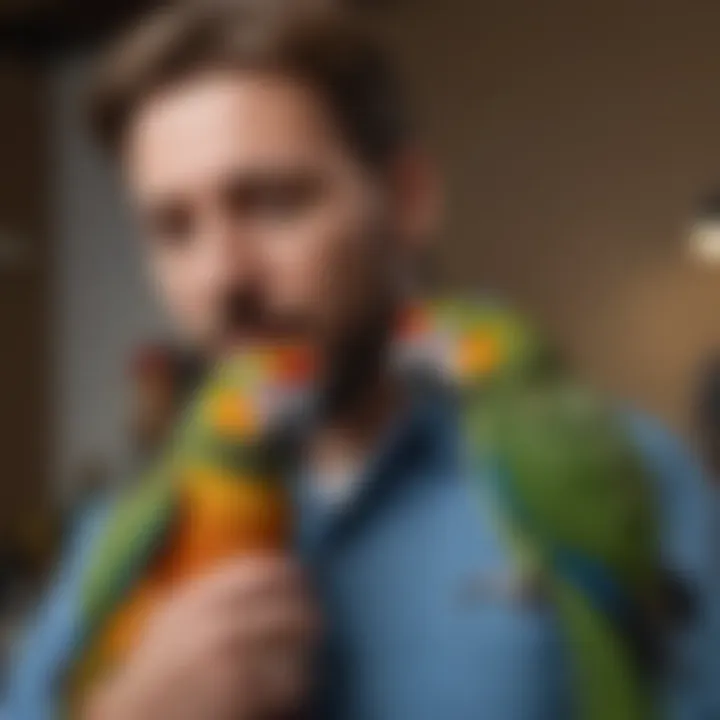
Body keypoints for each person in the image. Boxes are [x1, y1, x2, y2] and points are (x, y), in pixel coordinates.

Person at [3, 2, 717, 718]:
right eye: (173, 229)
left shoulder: (630, 473)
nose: (223, 275)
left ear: (408, 200)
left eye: (276, 203)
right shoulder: (118, 539)